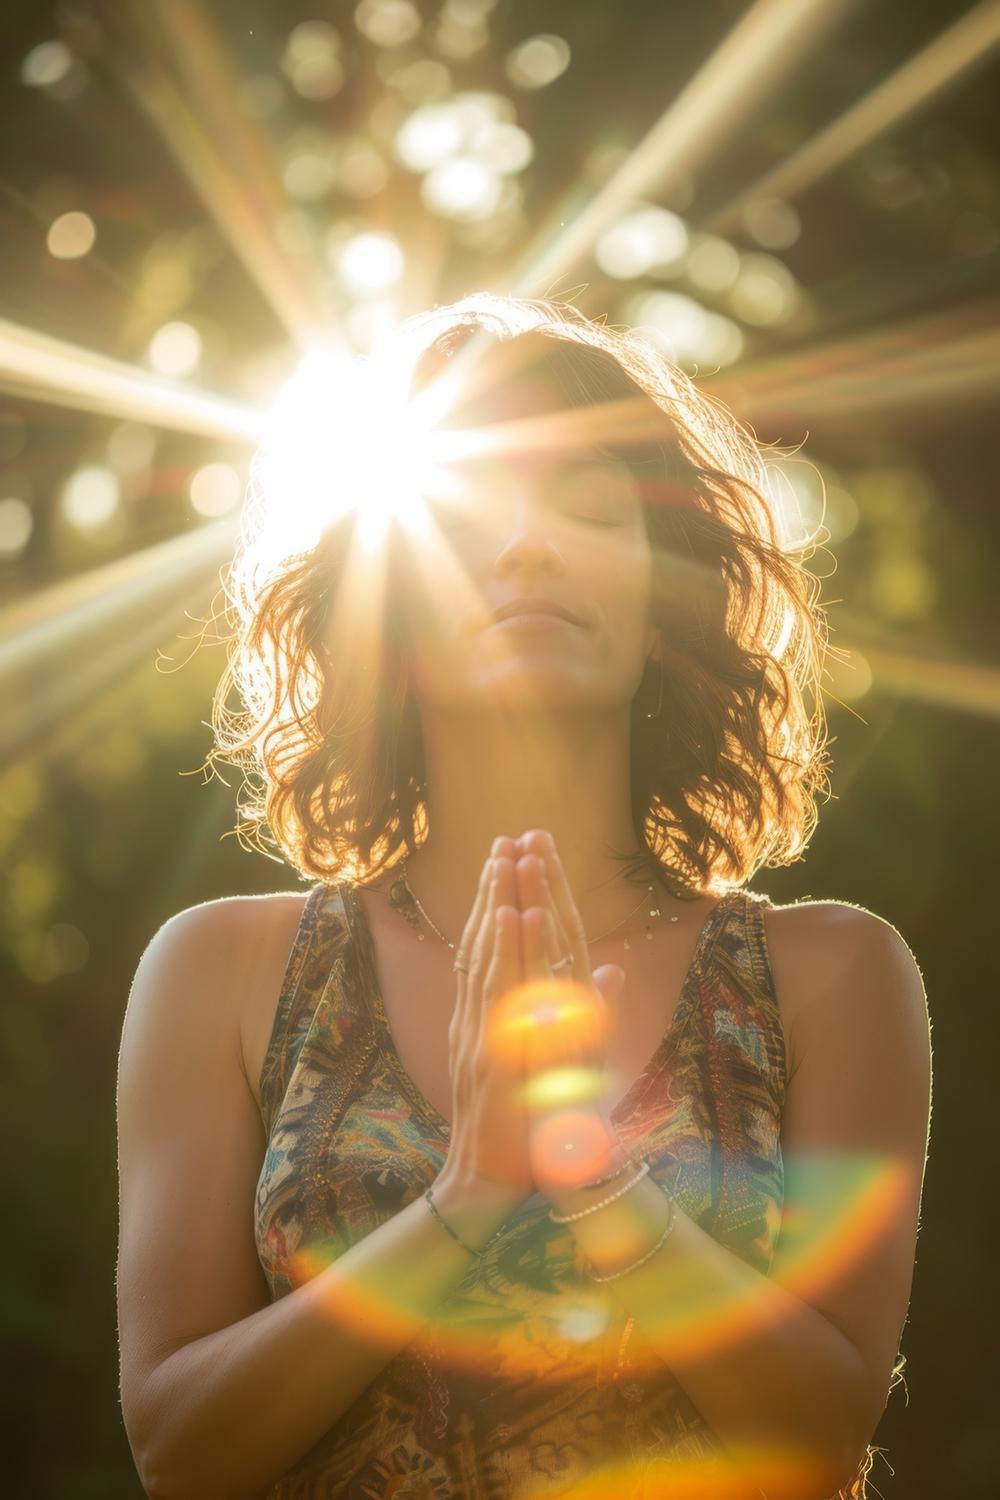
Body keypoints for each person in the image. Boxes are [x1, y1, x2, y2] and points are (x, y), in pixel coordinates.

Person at [116, 294, 932, 1500]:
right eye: (463, 518)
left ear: (659, 611)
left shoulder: (830, 976)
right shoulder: (221, 972)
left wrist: (595, 1179)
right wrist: (469, 1194)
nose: (529, 547)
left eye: (591, 509)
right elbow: (178, 1451)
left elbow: (818, 1444)